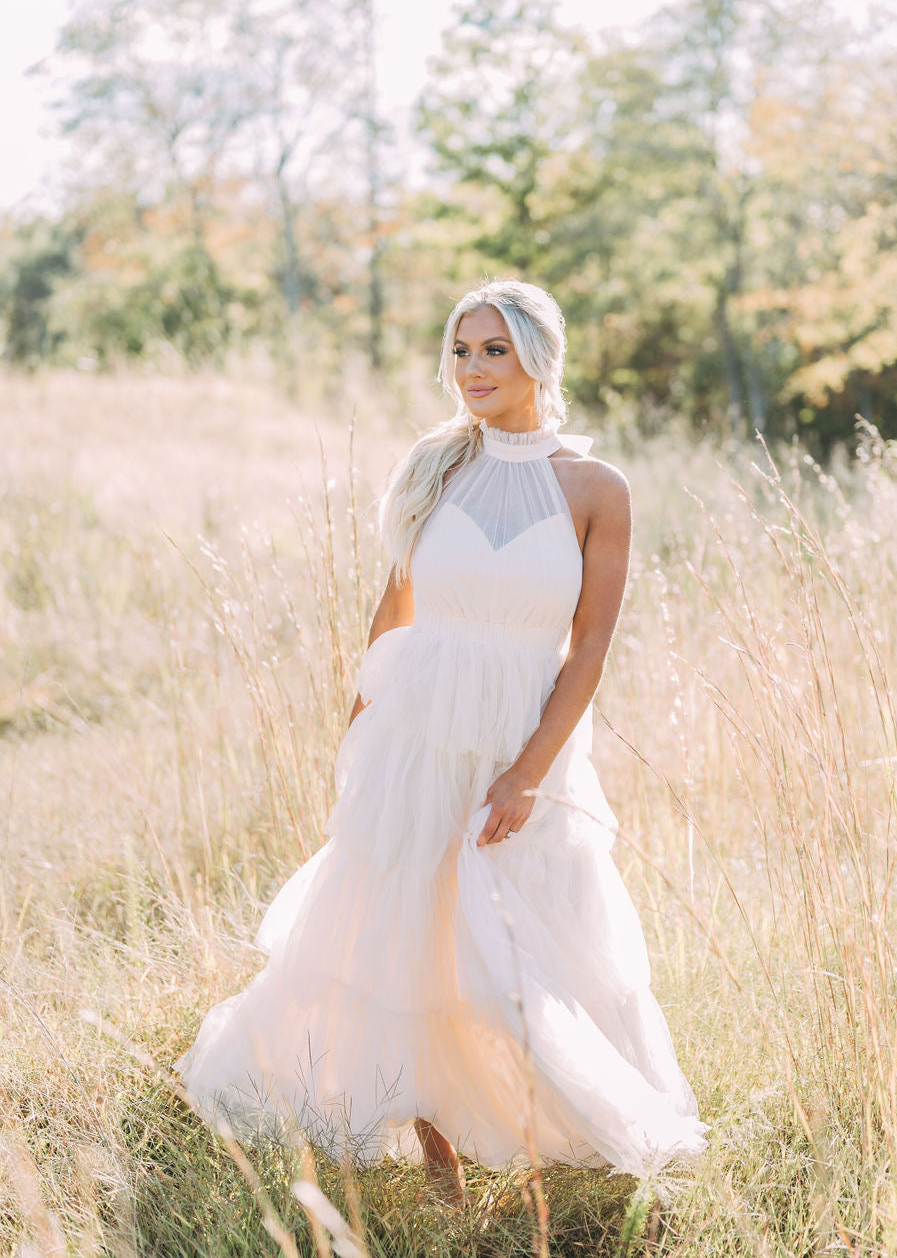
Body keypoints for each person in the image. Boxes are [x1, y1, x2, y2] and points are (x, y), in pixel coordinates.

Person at [176, 280, 707, 1197]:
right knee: (408, 935)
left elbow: (587, 654)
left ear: (540, 355)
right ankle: (438, 1153)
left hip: (521, 745)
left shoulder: (595, 488)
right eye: (461, 350)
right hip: (415, 736)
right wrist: (359, 742)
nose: (472, 369)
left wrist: (528, 775)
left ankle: (543, 1133)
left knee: (526, 949)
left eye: (493, 350)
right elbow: (396, 608)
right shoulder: (435, 466)